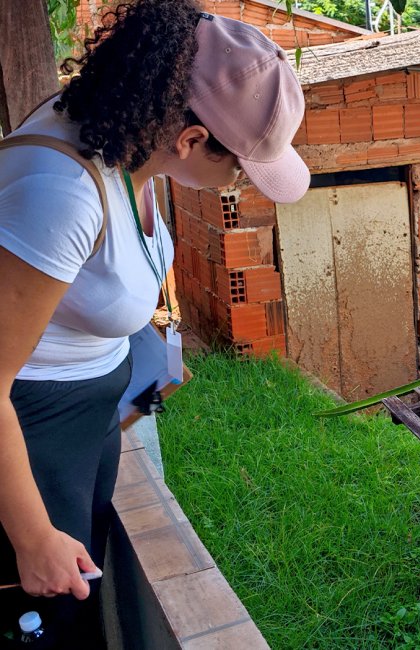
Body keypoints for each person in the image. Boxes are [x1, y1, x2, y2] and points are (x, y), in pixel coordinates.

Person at [0, 1, 309, 646]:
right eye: (239, 170)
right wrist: (31, 537)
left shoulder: (127, 142)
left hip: (87, 419)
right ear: (191, 138)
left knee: (79, 595)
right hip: (33, 438)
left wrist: (144, 384)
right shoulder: (63, 194)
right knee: (41, 620)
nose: (236, 188)